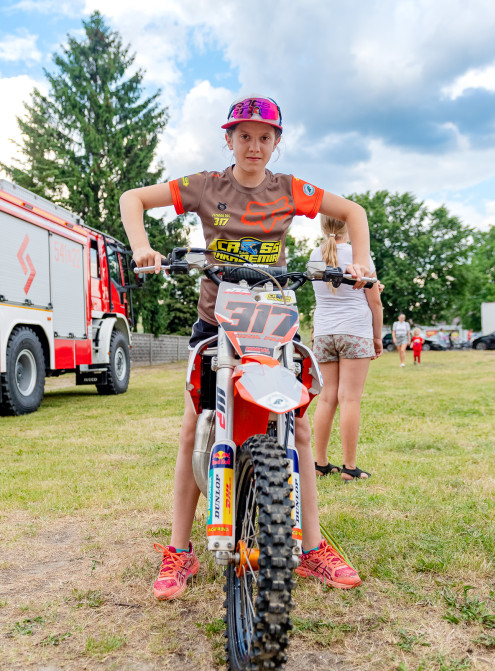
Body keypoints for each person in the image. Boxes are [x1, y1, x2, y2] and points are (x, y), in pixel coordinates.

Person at [120, 95, 371, 599]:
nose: (254, 145)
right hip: (216, 324)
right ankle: (179, 551)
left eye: (264, 136)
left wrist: (359, 261)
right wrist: (142, 246)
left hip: (273, 324)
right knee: (196, 427)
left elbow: (352, 211)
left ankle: (313, 547)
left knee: (297, 425)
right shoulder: (205, 186)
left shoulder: (288, 190)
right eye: (244, 135)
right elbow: (134, 198)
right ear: (228, 139)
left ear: (277, 143)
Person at [311, 215, 383, 482]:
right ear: (348, 227)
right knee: (350, 398)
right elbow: (374, 302)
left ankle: (319, 463)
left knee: (327, 397)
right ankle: (349, 468)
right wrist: (377, 337)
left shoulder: (315, 254)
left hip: (324, 333)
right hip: (354, 330)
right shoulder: (358, 255)